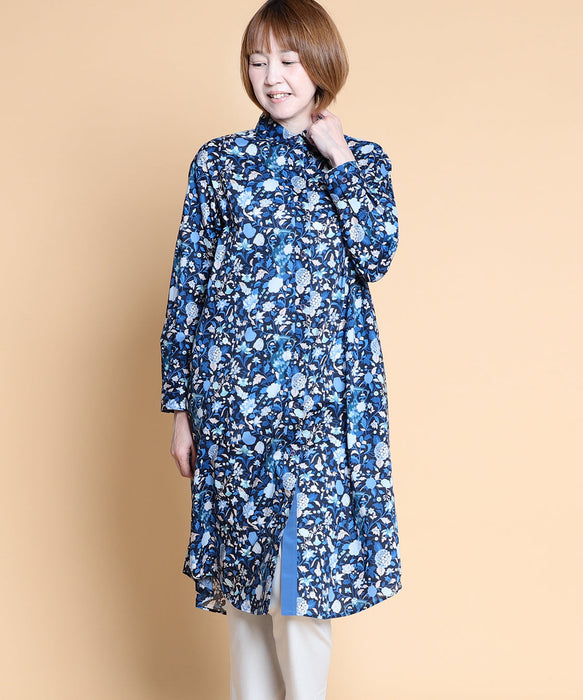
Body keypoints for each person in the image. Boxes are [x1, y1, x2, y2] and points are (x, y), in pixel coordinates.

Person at [159, 0, 402, 697]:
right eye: (258, 60)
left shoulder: (363, 162)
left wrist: (339, 159)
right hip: (232, 405)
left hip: (325, 407)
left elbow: (376, 255)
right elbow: (187, 287)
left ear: (321, 64)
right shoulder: (220, 163)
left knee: (303, 588)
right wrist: (182, 410)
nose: (273, 77)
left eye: (289, 60)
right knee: (245, 593)